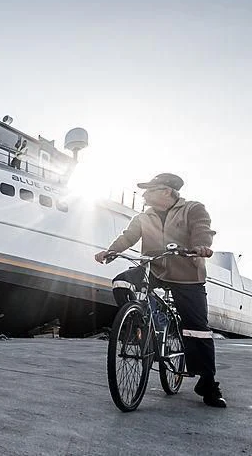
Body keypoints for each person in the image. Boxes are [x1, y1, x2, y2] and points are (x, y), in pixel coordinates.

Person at [94, 173, 225, 408]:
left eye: (150, 190)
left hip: (186, 274)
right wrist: (110, 251)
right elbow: (128, 237)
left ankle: (208, 382)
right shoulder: (144, 217)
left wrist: (200, 246)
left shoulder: (193, 209)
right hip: (153, 270)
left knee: (197, 328)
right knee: (121, 282)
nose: (145, 195)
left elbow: (203, 230)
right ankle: (138, 330)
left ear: (167, 192)